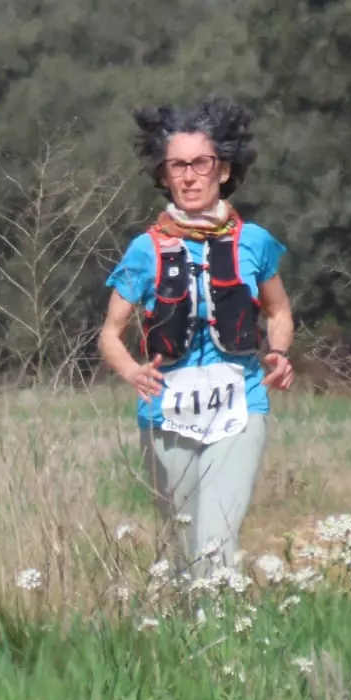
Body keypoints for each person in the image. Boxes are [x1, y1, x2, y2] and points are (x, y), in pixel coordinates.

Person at [98, 97, 294, 578]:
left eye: (200, 164)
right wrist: (130, 371)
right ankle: (193, 642)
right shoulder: (145, 251)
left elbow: (279, 311)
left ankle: (226, 644)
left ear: (223, 169)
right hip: (166, 410)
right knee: (187, 544)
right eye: (177, 166)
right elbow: (110, 333)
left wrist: (280, 353)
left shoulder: (255, 242)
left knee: (216, 539)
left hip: (241, 403)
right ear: (163, 176)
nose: (189, 177)